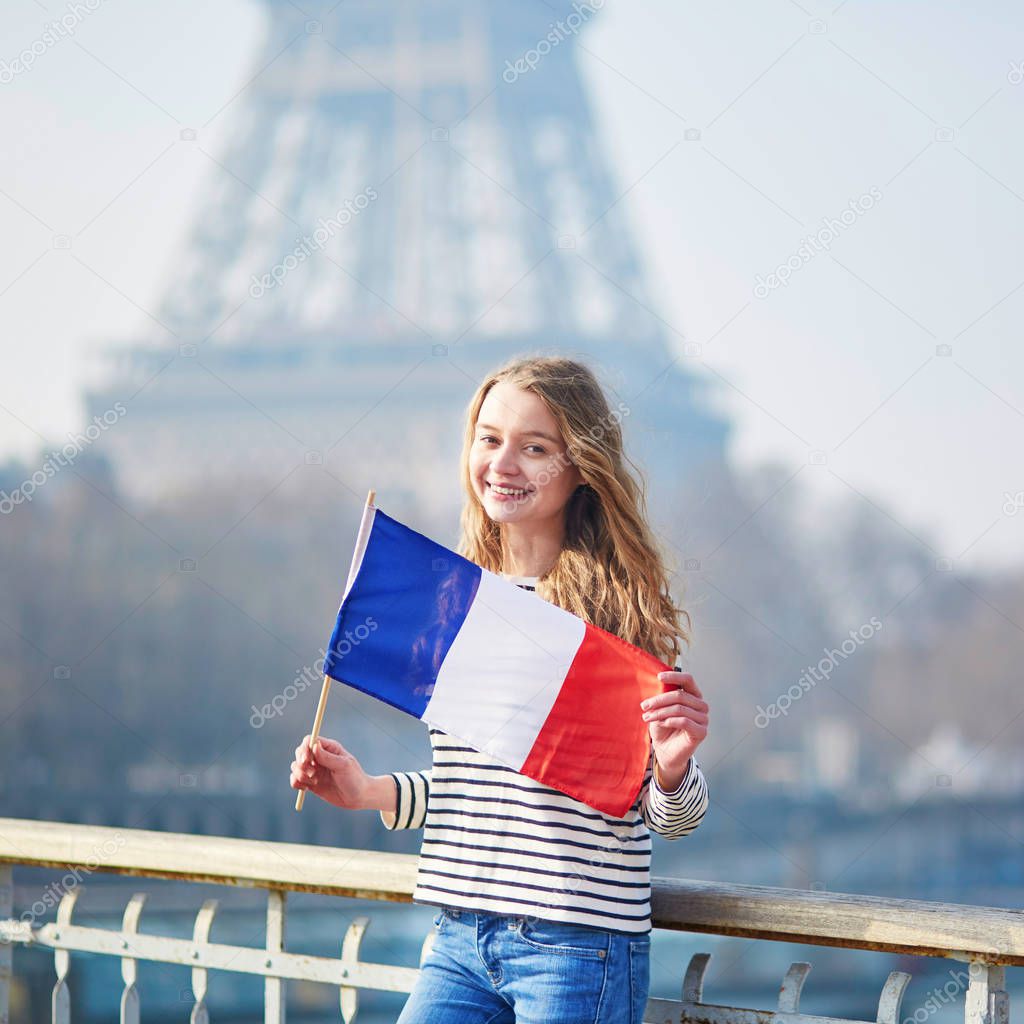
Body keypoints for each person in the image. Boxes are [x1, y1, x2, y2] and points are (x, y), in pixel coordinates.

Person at [290, 355, 711, 1023]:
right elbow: (485, 788)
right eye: (489, 440)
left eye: (534, 447)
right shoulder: (460, 606)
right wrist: (368, 791)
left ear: (580, 468)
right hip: (460, 936)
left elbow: (671, 818)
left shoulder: (618, 623)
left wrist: (674, 767)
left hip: (576, 946)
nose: (502, 463)